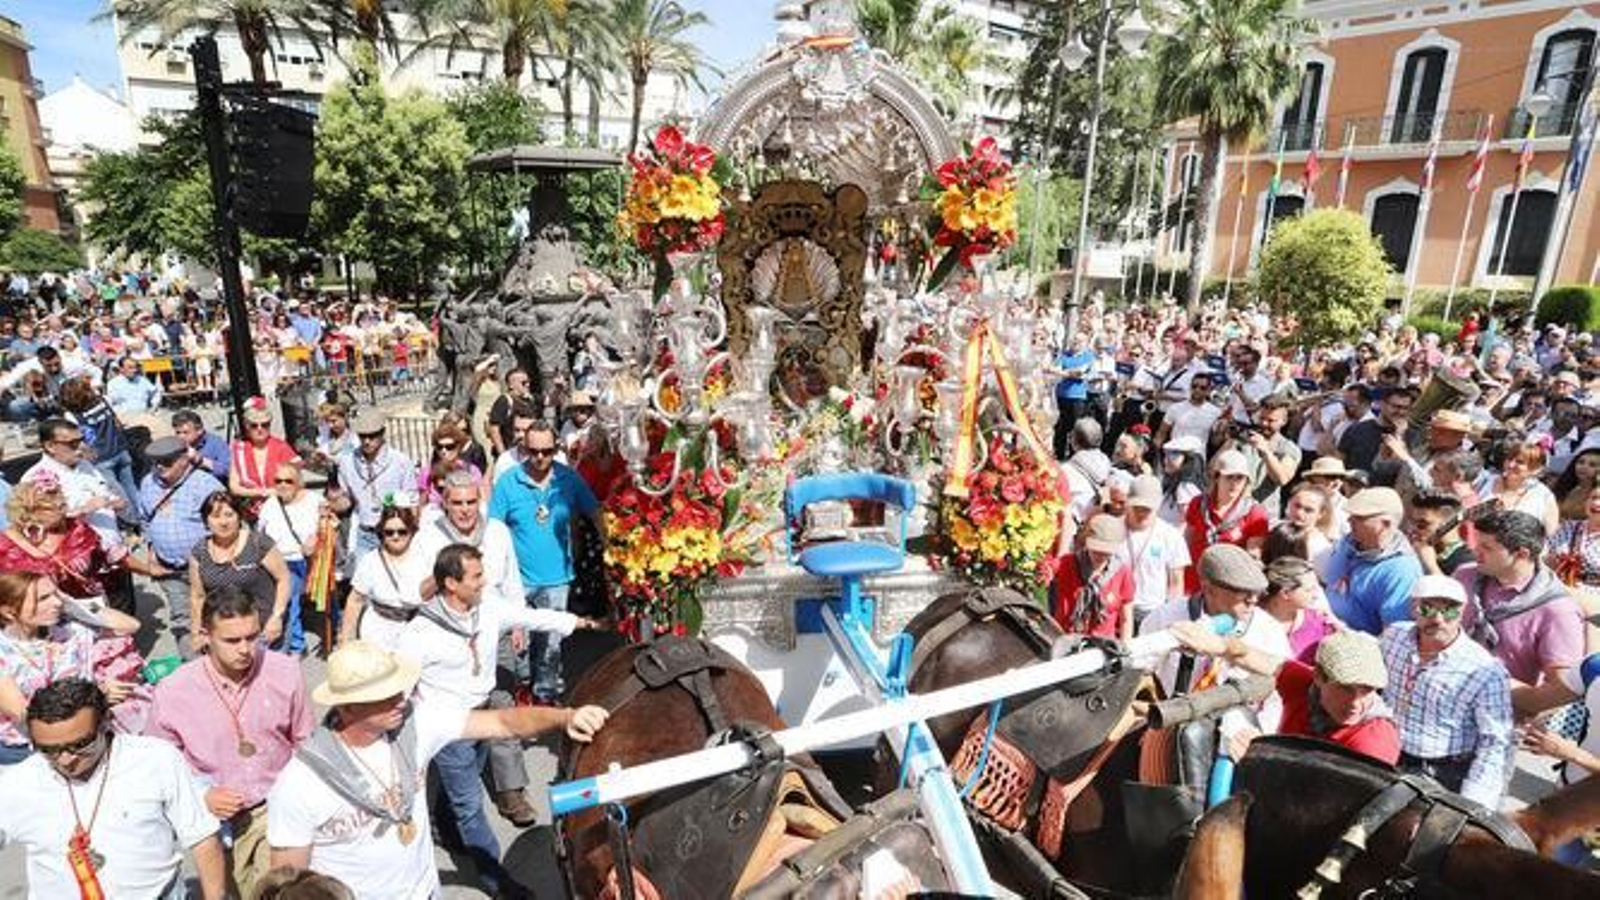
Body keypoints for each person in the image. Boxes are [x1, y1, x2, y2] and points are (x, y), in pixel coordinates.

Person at [264, 641, 608, 900]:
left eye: (399, 689)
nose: (401, 699)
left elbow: (503, 721)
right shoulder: (299, 784)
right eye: (385, 695)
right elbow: (289, 882)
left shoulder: (414, 721)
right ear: (348, 706)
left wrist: (565, 717)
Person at [397, 544, 600, 893]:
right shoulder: (419, 633)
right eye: (475, 576)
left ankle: (441, 824)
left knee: (466, 783)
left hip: (485, 714)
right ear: (451, 584)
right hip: (447, 729)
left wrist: (577, 622)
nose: (484, 581)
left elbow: (530, 617)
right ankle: (499, 881)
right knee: (471, 806)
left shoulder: (487, 608)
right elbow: (399, 687)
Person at [145, 588, 314, 898]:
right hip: (215, 823)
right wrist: (202, 795)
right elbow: (158, 765)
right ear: (205, 635)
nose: (245, 649)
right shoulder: (173, 691)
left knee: (278, 893)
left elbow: (305, 742)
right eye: (232, 641)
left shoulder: (285, 671)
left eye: (252, 637)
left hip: (277, 811)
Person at [0, 679, 226, 898]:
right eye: (49, 750)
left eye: (80, 745)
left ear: (105, 722)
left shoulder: (156, 760)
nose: (66, 760)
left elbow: (203, 838)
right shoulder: (17, 783)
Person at [1169, 625, 1401, 765]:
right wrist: (1217, 644)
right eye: (1346, 689)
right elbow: (1256, 659)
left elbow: (1331, 804)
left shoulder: (1374, 740)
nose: (1356, 703)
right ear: (1319, 677)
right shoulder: (1304, 684)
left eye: (1368, 690)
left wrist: (1262, 754)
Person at [489, 420, 602, 705]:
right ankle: (523, 688)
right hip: (518, 582)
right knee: (520, 648)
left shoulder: (568, 478)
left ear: (556, 449)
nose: (540, 457)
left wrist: (610, 545)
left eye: (547, 451)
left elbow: (595, 511)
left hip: (556, 579)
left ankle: (545, 698)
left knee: (551, 645)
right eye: (533, 451)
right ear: (524, 448)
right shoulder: (507, 482)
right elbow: (493, 531)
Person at [1379, 575, 1513, 808]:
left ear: (1462, 612)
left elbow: (1495, 741)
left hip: (1441, 774)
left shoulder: (1484, 669)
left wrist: (1475, 803)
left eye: (1449, 611)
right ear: (1414, 608)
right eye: (1427, 608)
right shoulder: (1394, 636)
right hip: (1386, 754)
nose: (1438, 619)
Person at [1140, 544, 1289, 734]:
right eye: (1242, 592)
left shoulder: (1269, 630)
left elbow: (1278, 697)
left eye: (1257, 592)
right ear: (1208, 589)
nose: (1252, 600)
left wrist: (1261, 735)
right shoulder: (1165, 618)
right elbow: (1141, 676)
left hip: (1239, 735)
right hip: (1172, 728)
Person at [0, 572, 145, 763]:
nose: (56, 602)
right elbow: (26, 713)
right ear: (9, 612)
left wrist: (74, 604)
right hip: (34, 749)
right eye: (43, 598)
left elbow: (130, 625)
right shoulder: (4, 653)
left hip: (88, 733)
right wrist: (97, 697)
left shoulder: (68, 628)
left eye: (55, 594)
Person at [1456, 508, 1585, 689]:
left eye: (1486, 547)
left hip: (1506, 707)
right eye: (1478, 544)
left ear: (1521, 554)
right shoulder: (1465, 576)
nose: (1475, 551)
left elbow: (1562, 688)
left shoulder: (1556, 611)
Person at [139, 436, 227, 654]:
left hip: (208, 568)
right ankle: (195, 673)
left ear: (184, 459)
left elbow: (227, 526)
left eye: (167, 462)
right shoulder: (148, 483)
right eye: (155, 462)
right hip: (170, 570)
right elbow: (145, 520)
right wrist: (151, 552)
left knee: (219, 616)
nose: (159, 467)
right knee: (183, 621)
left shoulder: (206, 485)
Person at [189, 492, 292, 656]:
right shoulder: (200, 552)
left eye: (229, 515)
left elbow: (284, 578)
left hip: (264, 630)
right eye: (215, 516)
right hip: (226, 636)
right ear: (206, 521)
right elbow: (198, 596)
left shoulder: (258, 543)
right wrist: (197, 632)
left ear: (239, 517)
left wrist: (277, 616)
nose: (223, 522)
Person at [1324, 488, 1423, 635]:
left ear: (1385, 524)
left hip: (1354, 647)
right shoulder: (1349, 542)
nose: (1349, 520)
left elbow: (1393, 634)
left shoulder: (1401, 571)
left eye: (1359, 517)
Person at [25, 418, 128, 548]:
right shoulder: (34, 478)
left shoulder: (84, 465)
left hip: (114, 546)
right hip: (79, 556)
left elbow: (103, 491)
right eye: (73, 443)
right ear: (50, 446)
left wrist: (113, 501)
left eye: (81, 440)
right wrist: (83, 510)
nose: (81, 447)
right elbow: (38, 524)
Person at [328, 410, 418, 558]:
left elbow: (412, 501)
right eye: (362, 436)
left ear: (382, 433)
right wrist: (331, 505)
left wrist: (410, 533)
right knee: (362, 578)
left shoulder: (401, 462)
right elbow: (347, 499)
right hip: (365, 534)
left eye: (372, 435)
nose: (367, 441)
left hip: (395, 533)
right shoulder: (347, 462)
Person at [341, 505, 431, 651]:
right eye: (389, 532)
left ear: (412, 531)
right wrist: (346, 641)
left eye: (402, 531)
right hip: (378, 631)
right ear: (382, 532)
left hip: (416, 629)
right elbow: (355, 601)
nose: (396, 536)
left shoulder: (425, 557)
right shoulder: (370, 561)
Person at [1181, 449, 1269, 594]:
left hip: (1227, 586)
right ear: (1217, 477)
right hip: (1193, 581)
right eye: (1229, 477)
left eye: (1240, 478)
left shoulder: (1255, 512)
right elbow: (1187, 541)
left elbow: (1252, 556)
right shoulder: (1198, 503)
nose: (1234, 484)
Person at [258, 462, 323, 656]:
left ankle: (297, 645)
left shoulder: (314, 500)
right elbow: (260, 532)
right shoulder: (270, 504)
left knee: (288, 602)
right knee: (276, 601)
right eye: (278, 481)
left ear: (299, 483)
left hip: (299, 560)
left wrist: (315, 538)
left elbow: (329, 526)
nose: (283, 485)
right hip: (272, 560)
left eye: (289, 481)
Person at [59, 377, 142, 529]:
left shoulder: (71, 415)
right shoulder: (103, 400)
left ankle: (134, 523)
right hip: (120, 449)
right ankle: (143, 518)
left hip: (101, 458)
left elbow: (79, 440)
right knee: (132, 488)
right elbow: (117, 422)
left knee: (116, 493)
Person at [1116, 474, 1189, 629]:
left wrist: (1172, 616)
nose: (1141, 513)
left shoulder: (1171, 536)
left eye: (1147, 509)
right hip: (1116, 609)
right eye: (1137, 507)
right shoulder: (1113, 528)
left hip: (1152, 611)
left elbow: (1176, 582)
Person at [1054, 515, 1136, 639]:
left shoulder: (1123, 572)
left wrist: (1125, 650)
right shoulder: (1066, 563)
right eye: (1096, 549)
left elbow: (1126, 619)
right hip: (1065, 641)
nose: (1101, 555)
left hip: (1102, 646)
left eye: (1106, 552)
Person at [230, 397, 302, 521]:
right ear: (246, 426)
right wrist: (265, 492)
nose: (260, 429)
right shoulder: (238, 448)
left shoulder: (282, 447)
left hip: (281, 511)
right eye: (254, 425)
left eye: (265, 424)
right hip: (251, 514)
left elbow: (296, 483)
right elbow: (234, 487)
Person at [1259, 556, 1337, 663]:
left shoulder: (1321, 624)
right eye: (1309, 589)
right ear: (1285, 593)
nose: (1316, 594)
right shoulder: (1251, 619)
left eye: (1316, 587)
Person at [1486, 443, 1561, 539]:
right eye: (1509, 459)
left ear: (1536, 469)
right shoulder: (1486, 481)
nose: (1511, 465)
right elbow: (1468, 515)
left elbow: (1550, 534)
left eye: (1520, 462)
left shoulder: (1544, 496)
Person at [1337, 386, 1414, 474]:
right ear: (1382, 404)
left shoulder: (1410, 436)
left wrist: (1400, 435)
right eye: (1396, 407)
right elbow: (1339, 460)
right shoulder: (1357, 430)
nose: (1401, 412)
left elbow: (1410, 468)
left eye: (1405, 408)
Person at [173, 409, 232, 484]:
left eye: (185, 432)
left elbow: (228, 470)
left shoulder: (216, 444)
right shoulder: (176, 445)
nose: (181, 437)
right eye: (178, 433)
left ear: (199, 430)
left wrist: (201, 461)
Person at [1158, 435, 1206, 525]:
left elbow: (1186, 522)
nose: (1167, 460)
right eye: (1166, 454)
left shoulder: (1184, 487)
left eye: (1174, 455)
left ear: (1189, 460)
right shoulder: (1177, 483)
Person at [487, 368, 534, 457]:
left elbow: (549, 401)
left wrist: (558, 389)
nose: (528, 385)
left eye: (528, 382)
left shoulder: (529, 400)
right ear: (511, 385)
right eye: (523, 382)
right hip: (510, 451)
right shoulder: (504, 400)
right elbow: (494, 429)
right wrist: (503, 454)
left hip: (527, 451)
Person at [1552, 448, 1600, 522]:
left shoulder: (1597, 494)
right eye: (1581, 462)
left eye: (1592, 465)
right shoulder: (1565, 487)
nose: (1584, 467)